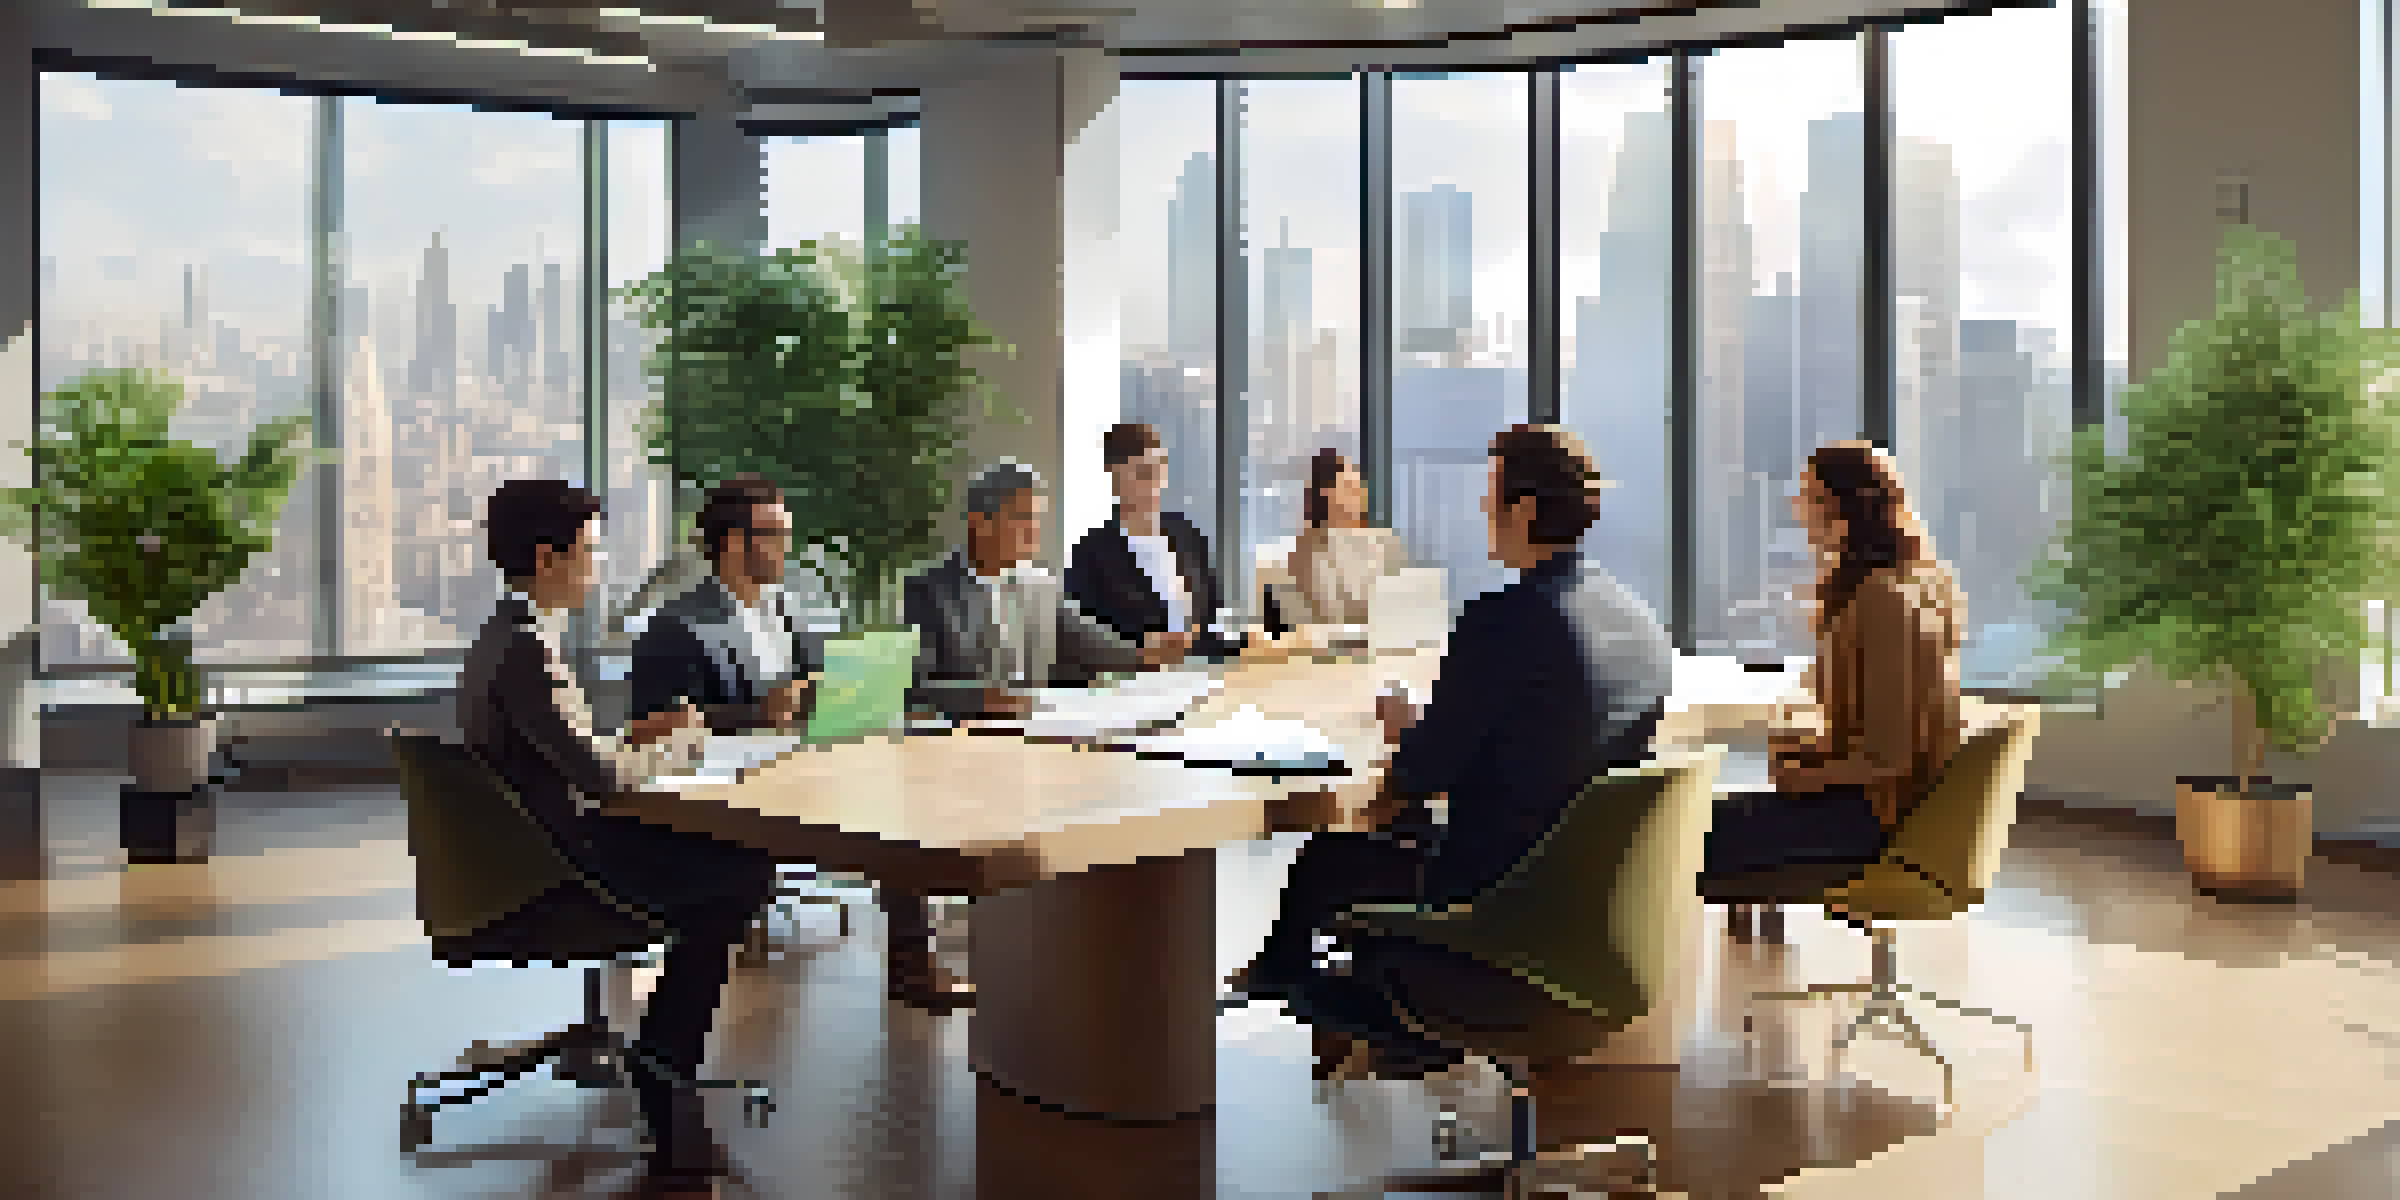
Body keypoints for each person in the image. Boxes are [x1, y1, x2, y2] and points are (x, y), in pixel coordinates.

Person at [1225, 425, 1674, 1079]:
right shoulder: (1637, 621)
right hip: (1593, 921)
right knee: (1390, 841)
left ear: (1523, 509)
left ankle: (1341, 1005)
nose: (1483, 509)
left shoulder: (1503, 620)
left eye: (1491, 494)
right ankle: (1378, 1031)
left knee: (1328, 861)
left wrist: (1408, 727)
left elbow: (1418, 773)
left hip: (1498, 917)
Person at [459, 479, 773, 1192]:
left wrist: (634, 737)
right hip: (563, 860)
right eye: (591, 551)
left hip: (540, 841)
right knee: (742, 873)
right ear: (548, 558)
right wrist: (680, 746)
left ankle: (664, 1058)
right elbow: (598, 779)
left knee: (730, 866)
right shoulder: (527, 651)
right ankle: (664, 1064)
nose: (598, 567)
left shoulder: (504, 638)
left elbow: (565, 751)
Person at [895, 460, 1189, 1007]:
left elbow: (1091, 644)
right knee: (908, 810)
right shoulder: (928, 591)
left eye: (1038, 519)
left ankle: (1073, 952)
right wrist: (981, 699)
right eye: (1023, 519)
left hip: (1033, 745)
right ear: (982, 522)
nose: (1035, 532)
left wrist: (1148, 653)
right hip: (953, 748)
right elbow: (914, 684)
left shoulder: (1039, 587)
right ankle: (914, 963)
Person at [1698, 441, 1967, 936]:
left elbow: (1890, 756)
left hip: (1869, 821)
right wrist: (1815, 753)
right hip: (1878, 808)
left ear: (1841, 511)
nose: (1797, 510)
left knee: (1661, 833)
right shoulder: (1909, 586)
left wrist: (1807, 778)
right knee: (1691, 819)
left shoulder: (1883, 601)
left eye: (1808, 496)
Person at [628, 475, 823, 736]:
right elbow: (641, 730)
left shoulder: (791, 617)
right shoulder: (672, 627)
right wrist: (757, 714)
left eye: (786, 535)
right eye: (775, 534)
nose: (785, 547)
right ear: (734, 542)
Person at [1065, 422, 1242, 662]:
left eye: (1158, 470)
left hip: (1203, 672)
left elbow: (1214, 616)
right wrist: (1142, 652)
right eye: (1142, 473)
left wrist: (1240, 641)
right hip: (1137, 678)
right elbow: (1082, 641)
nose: (1152, 483)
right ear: (1114, 477)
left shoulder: (1187, 536)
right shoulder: (1090, 553)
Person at [1266, 447, 1411, 635]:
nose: (1360, 494)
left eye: (1360, 486)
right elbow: (1329, 613)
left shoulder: (1385, 543)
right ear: (1325, 494)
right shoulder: (1306, 552)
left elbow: (1404, 602)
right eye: (1350, 488)